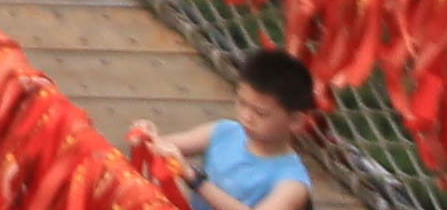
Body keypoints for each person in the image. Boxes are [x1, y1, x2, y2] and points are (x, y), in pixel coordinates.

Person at [135, 55, 320, 209]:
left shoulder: (292, 182)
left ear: (295, 121)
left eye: (260, 113)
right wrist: (148, 137)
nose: (246, 117)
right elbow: (164, 147)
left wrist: (195, 180)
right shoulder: (223, 132)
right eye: (241, 103)